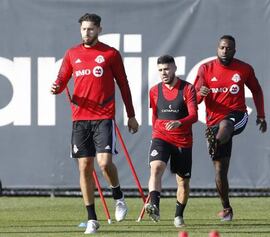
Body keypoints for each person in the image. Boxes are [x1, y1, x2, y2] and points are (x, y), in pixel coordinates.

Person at [50, 13, 139, 234]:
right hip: (80, 119)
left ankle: (118, 196)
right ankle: (92, 218)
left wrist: (131, 114)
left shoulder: (110, 54)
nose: (86, 33)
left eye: (90, 29)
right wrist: (57, 88)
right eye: (83, 29)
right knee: (84, 167)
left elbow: (124, 85)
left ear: (99, 29)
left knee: (104, 163)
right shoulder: (72, 54)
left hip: (103, 117)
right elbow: (62, 79)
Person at [194, 35, 267, 221]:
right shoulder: (206, 69)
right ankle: (226, 208)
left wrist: (261, 115)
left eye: (228, 48)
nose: (225, 51)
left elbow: (257, 90)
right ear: (217, 48)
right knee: (220, 171)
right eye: (222, 47)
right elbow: (194, 99)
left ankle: (215, 141)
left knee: (227, 124)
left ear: (235, 50)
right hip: (213, 122)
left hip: (237, 116)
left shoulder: (244, 69)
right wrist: (200, 95)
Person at [145, 55, 198, 228]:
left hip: (182, 140)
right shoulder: (154, 90)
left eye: (166, 69)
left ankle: (178, 215)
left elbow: (194, 116)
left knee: (182, 181)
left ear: (175, 68)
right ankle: (154, 206)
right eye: (160, 70)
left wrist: (179, 122)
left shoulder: (188, 89)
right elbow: (154, 116)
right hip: (161, 136)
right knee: (156, 168)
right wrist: (154, 135)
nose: (163, 73)